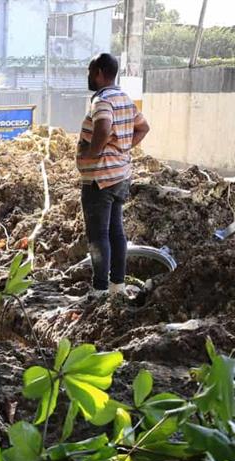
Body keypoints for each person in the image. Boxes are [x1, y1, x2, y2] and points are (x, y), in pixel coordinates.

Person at [76, 53, 150, 298]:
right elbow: (143, 127)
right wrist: (122, 149)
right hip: (120, 176)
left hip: (100, 180)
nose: (88, 76)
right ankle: (117, 286)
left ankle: (99, 289)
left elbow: (104, 125)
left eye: (89, 71)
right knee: (116, 232)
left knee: (98, 236)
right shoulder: (124, 99)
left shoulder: (103, 100)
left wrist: (93, 153)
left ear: (98, 72)